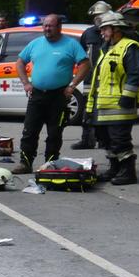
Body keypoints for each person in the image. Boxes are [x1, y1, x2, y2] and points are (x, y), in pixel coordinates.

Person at [12, 14, 89, 174]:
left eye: (50, 26)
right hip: (37, 95)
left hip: (58, 96)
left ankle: (50, 164)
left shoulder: (70, 45)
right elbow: (19, 62)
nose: (47, 28)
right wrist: (26, 83)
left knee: (55, 133)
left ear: (59, 27)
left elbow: (85, 64)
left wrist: (72, 85)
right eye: (45, 25)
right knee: (30, 131)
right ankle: (25, 163)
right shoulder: (35, 44)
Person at [87, 12, 139, 185]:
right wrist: (90, 108)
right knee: (106, 140)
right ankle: (115, 168)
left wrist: (127, 97)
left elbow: (135, 74)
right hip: (103, 106)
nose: (102, 32)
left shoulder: (130, 47)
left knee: (120, 140)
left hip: (120, 106)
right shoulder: (106, 48)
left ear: (116, 29)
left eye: (105, 29)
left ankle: (128, 172)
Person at [71, 0, 112, 150]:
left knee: (105, 110)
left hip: (107, 79)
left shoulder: (111, 32)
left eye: (101, 15)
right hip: (90, 78)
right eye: (96, 16)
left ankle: (104, 140)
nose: (98, 19)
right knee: (88, 109)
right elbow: (81, 55)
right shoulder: (88, 34)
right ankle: (87, 140)